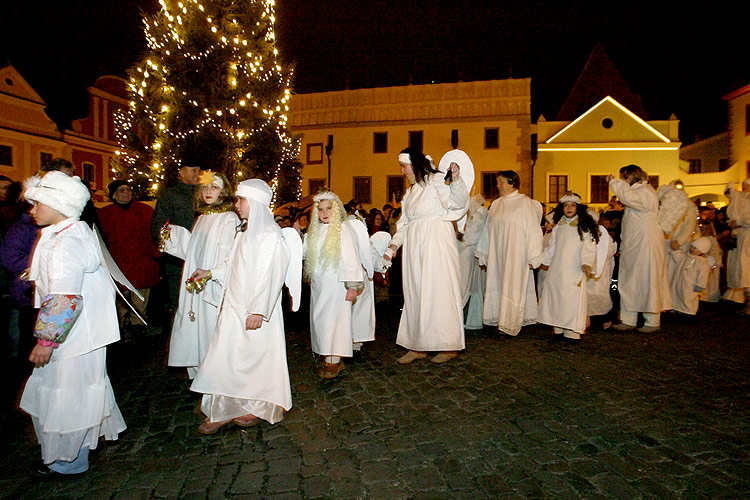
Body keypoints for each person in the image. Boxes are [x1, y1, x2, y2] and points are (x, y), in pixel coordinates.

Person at [19, 171, 126, 476]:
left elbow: (66, 297)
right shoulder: (69, 234)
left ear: (59, 205)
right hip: (79, 336)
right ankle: (66, 456)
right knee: (71, 392)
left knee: (69, 396)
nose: (32, 210)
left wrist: (46, 341)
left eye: (38, 203)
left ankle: (67, 460)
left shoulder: (65, 243)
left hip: (72, 339)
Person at [189, 179, 300, 434]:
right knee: (224, 355)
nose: (237, 205)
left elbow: (270, 275)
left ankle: (256, 405)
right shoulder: (244, 232)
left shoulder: (271, 236)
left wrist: (258, 309)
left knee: (254, 358)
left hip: (256, 309)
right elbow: (230, 263)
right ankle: (222, 408)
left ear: (257, 203)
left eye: (241, 200)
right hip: (233, 305)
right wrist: (209, 272)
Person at [384, 147, 469, 364]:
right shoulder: (410, 193)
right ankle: (418, 345)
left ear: (414, 164)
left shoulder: (438, 180)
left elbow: (457, 203)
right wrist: (393, 246)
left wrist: (457, 180)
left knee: (438, 291)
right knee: (416, 293)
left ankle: (447, 345)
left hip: (436, 242)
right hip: (415, 246)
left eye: (404, 166)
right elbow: (404, 223)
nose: (402, 171)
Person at [161, 171, 239, 378]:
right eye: (204, 187)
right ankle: (201, 375)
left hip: (212, 282)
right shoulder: (203, 217)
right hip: (197, 281)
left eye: (214, 187)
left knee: (210, 329)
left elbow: (229, 254)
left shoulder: (228, 218)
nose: (208, 192)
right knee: (195, 328)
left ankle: (215, 379)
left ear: (224, 191)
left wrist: (211, 273)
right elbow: (193, 251)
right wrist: (174, 237)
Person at [303, 191, 366, 378]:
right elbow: (305, 253)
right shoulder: (314, 232)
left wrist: (353, 286)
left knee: (335, 322)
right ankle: (327, 355)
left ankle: (334, 361)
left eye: (328, 208)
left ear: (336, 209)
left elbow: (351, 258)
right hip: (320, 287)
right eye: (320, 210)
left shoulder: (343, 230)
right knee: (320, 322)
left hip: (338, 286)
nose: (324, 213)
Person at [476, 170, 543, 336]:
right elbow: (487, 230)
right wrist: (484, 252)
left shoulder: (525, 203)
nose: (498, 185)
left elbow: (533, 229)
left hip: (516, 253)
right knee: (498, 282)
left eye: (501, 182)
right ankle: (499, 319)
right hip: (498, 254)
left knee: (513, 285)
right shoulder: (497, 204)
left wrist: (534, 254)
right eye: (498, 182)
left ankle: (511, 323)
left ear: (512, 183)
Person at [607, 165, 671, 332]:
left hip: (646, 244)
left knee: (648, 279)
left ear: (629, 177)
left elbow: (629, 197)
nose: (621, 181)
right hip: (636, 244)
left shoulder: (645, 192)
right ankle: (629, 318)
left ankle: (652, 321)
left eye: (623, 178)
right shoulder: (639, 192)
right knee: (631, 279)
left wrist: (614, 182)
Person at [98, 180, 160, 339]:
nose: (126, 193)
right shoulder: (105, 214)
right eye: (121, 190)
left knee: (140, 303)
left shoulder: (144, 210)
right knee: (121, 304)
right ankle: (119, 333)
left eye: (128, 189)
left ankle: (139, 330)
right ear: (113, 194)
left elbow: (155, 234)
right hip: (119, 265)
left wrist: (156, 257)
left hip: (142, 264)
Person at [537, 193, 598, 342]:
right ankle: (558, 326)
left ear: (578, 207)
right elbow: (553, 247)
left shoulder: (583, 226)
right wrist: (542, 260)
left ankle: (572, 331)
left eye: (572, 205)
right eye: (566, 205)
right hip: (558, 268)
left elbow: (589, 246)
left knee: (571, 297)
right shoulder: (559, 226)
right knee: (557, 296)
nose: (569, 208)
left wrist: (586, 262)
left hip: (574, 268)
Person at [151, 164, 200, 313]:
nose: (198, 174)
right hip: (177, 263)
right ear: (182, 172)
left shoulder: (205, 194)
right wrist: (171, 250)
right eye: (193, 170)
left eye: (199, 170)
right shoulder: (170, 196)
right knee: (179, 305)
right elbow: (159, 228)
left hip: (200, 259)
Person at [40, 158, 101, 231]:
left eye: (70, 176)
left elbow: (91, 222)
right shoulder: (41, 197)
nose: (69, 180)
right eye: (63, 176)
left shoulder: (81, 197)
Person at [657, 180, 698, 282]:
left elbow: (690, 225)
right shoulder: (664, 204)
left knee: (676, 275)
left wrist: (679, 240)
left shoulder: (689, 206)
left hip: (679, 245)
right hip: (664, 243)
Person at [459, 194, 488, 330]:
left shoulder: (480, 213)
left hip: (469, 251)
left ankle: (462, 315)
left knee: (466, 284)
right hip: (465, 251)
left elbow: (472, 235)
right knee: (466, 284)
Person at [722, 179, 750, 313]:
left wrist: (738, 222)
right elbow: (730, 194)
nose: (745, 188)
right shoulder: (739, 198)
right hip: (739, 237)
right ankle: (742, 300)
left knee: (746, 269)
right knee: (738, 269)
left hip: (747, 238)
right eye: (743, 185)